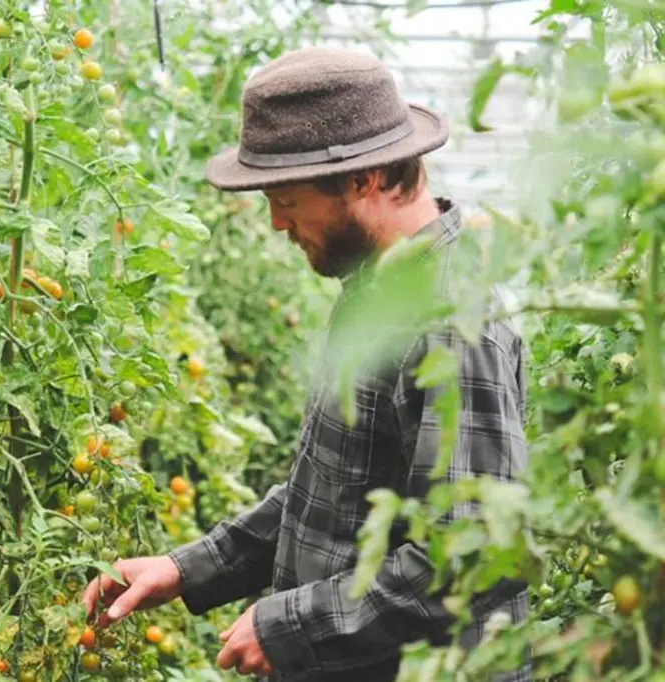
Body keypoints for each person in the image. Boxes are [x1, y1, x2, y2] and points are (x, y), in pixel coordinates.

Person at [83, 46, 532, 681]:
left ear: (362, 180)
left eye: (287, 200)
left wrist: (290, 625)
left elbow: (476, 553)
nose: (274, 223)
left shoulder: (452, 325)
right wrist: (187, 568)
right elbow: (330, 492)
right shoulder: (376, 294)